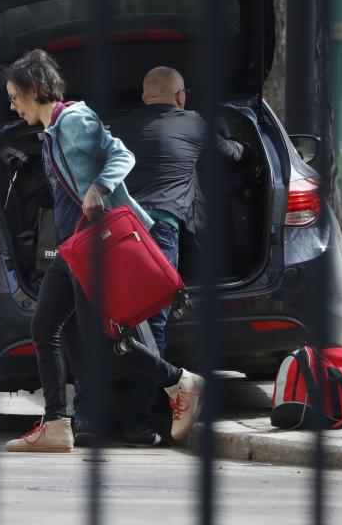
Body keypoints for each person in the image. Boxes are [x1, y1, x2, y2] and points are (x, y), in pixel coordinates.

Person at [1, 50, 205, 453]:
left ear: (32, 90)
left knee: (104, 337)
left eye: (14, 96)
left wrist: (99, 188)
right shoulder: (53, 131)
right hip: (74, 249)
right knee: (46, 328)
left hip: (97, 246)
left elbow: (121, 155)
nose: (12, 105)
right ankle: (58, 423)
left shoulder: (75, 121)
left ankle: (177, 380)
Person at [100, 65, 244, 446]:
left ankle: (91, 417)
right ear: (181, 97)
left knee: (118, 321)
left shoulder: (122, 128)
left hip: (120, 234)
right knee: (154, 325)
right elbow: (230, 153)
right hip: (161, 232)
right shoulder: (193, 123)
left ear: (145, 97)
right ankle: (138, 424)